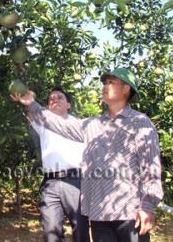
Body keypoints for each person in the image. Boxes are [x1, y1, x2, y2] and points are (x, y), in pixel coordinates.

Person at [11, 68, 163, 242]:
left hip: (129, 212)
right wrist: (32, 103)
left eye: (111, 82)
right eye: (104, 83)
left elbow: (151, 167)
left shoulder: (140, 123)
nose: (105, 86)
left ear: (126, 88)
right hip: (100, 214)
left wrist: (148, 205)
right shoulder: (93, 124)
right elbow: (59, 125)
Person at [29, 86, 90, 242]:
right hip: (50, 183)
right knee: (51, 232)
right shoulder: (43, 124)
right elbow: (31, 110)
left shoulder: (79, 125)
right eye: (51, 99)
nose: (54, 100)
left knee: (80, 229)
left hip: (75, 181)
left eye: (59, 97)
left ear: (69, 104)